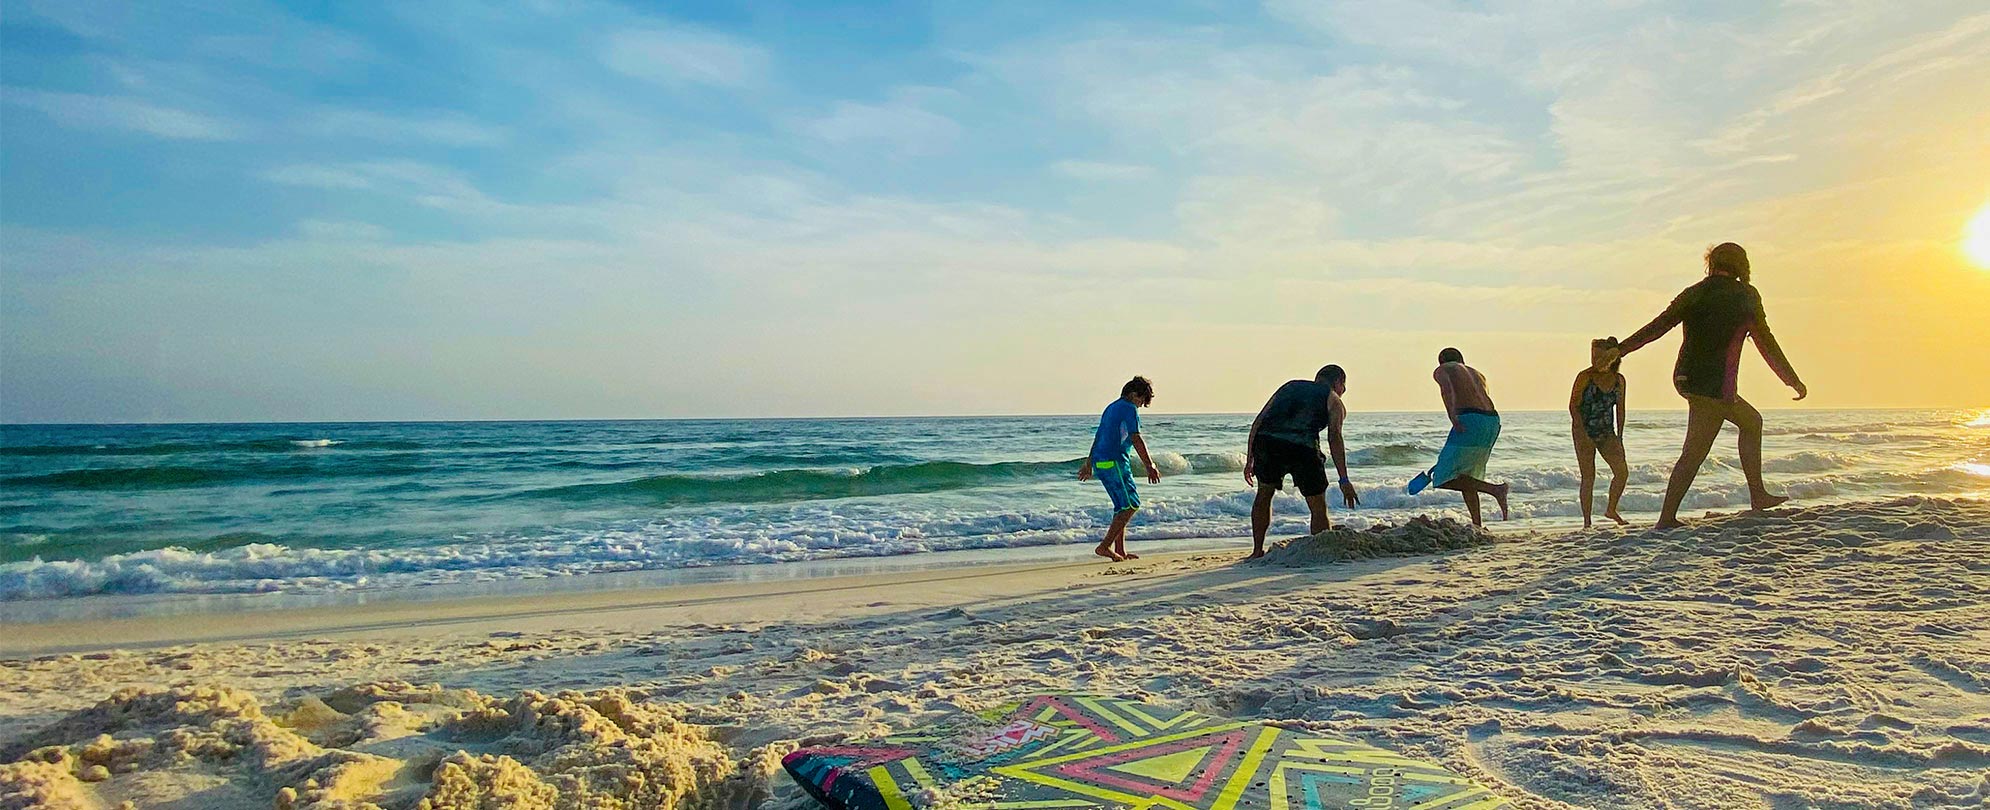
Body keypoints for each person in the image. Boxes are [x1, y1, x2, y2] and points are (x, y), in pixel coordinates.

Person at [1617, 242, 1807, 529]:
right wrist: (1791, 379)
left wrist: (1621, 349)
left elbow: (1658, 326)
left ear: (1712, 263)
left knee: (1752, 421)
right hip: (1715, 384)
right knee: (1694, 452)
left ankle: (1757, 494)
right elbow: (1765, 341)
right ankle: (1666, 519)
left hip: (1686, 377)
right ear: (1742, 266)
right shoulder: (1746, 296)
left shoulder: (1695, 292)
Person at [1243, 365, 1359, 559]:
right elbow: (1334, 437)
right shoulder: (1333, 399)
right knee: (1317, 504)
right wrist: (1344, 479)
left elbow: (1259, 421)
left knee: (1264, 494)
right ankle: (1322, 550)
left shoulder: (1289, 387)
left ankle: (1257, 550)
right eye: (1344, 387)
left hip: (1268, 444)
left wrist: (1250, 459)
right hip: (1302, 449)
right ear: (1339, 382)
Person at [1078, 376, 1161, 561]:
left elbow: (1098, 437)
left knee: (1121, 507)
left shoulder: (1111, 408)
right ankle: (1104, 546)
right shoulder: (1128, 408)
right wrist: (1150, 465)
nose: (1140, 406)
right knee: (1131, 505)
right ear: (1133, 395)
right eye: (1141, 400)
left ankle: (1120, 550)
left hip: (1102, 461)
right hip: (1114, 461)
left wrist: (1089, 462)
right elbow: (1136, 438)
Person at [1428, 348, 1509, 526]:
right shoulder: (1476, 373)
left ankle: (1496, 489)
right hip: (1492, 421)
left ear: (1441, 361)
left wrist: (1453, 417)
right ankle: (1477, 524)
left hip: (1469, 418)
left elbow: (1447, 391)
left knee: (1442, 477)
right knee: (1467, 476)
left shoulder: (1443, 369)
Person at [1570, 338, 1630, 528]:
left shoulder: (1619, 380)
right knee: (1589, 476)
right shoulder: (1584, 377)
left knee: (1622, 472)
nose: (1594, 359)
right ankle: (1587, 522)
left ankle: (1611, 509)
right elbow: (1573, 405)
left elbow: (1620, 410)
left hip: (1606, 431)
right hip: (1584, 430)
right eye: (1592, 355)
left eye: (1598, 355)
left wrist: (1619, 438)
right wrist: (1581, 432)